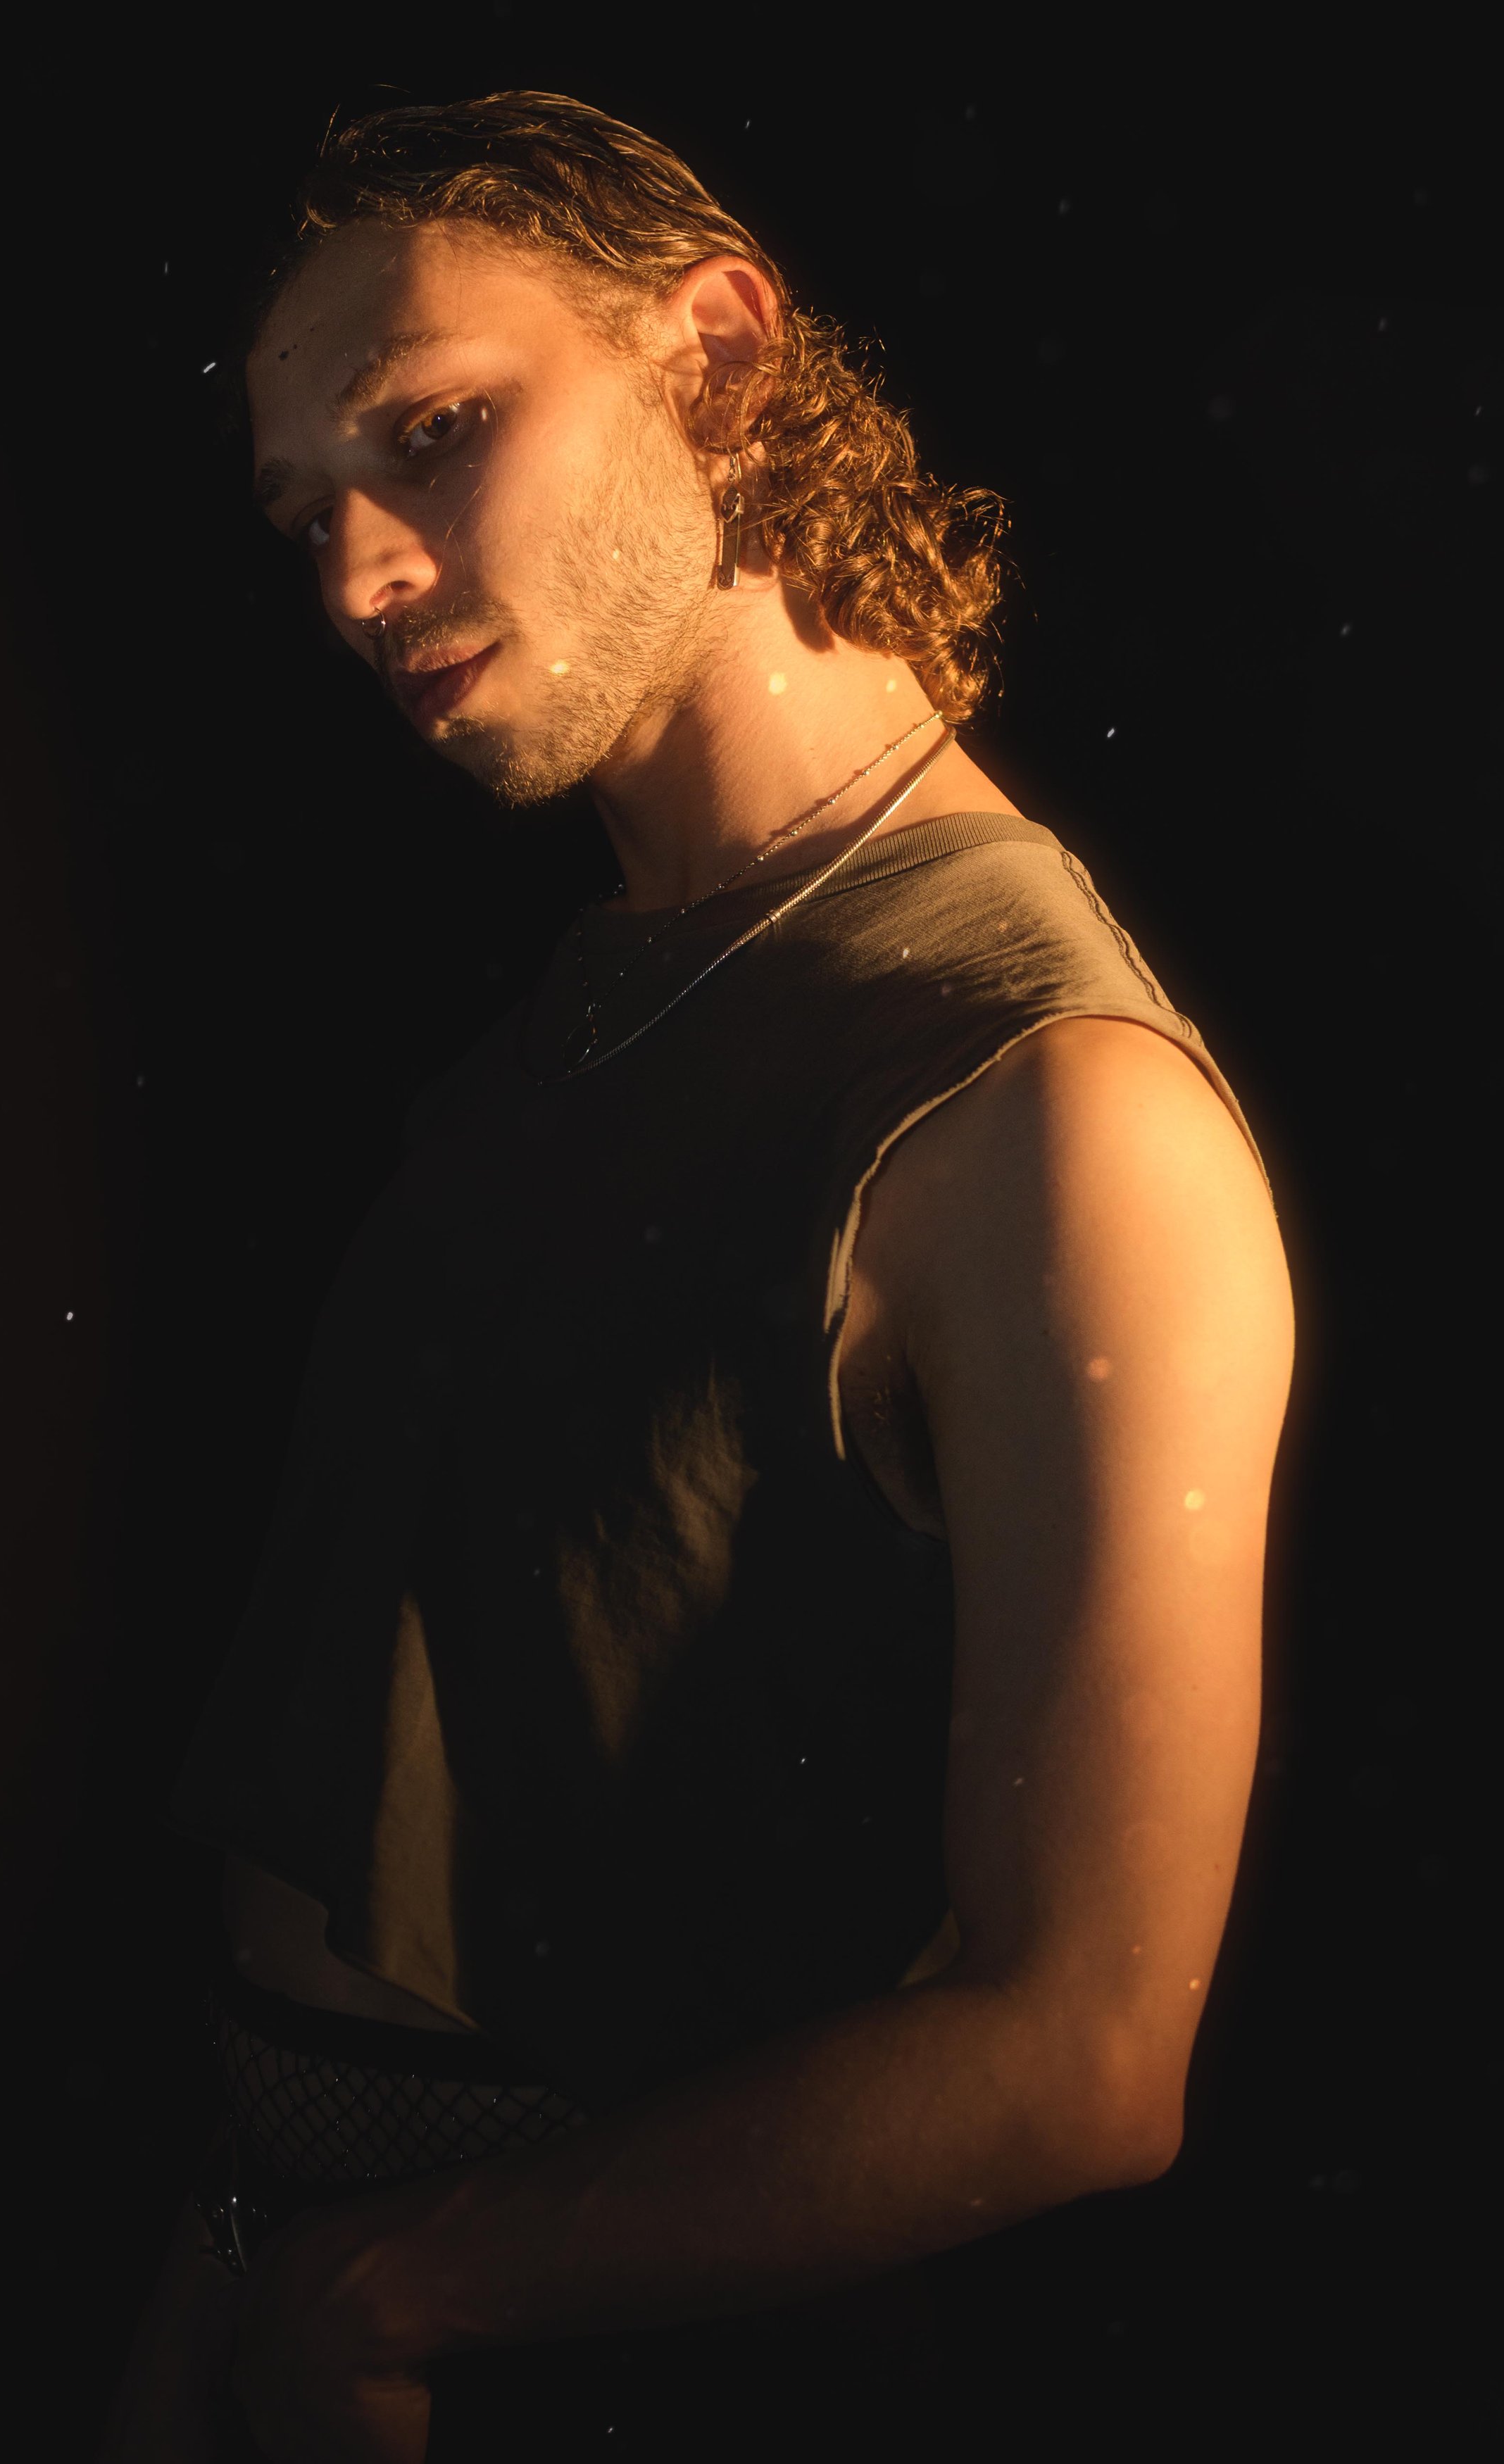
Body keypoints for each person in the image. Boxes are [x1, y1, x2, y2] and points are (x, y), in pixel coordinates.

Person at [99, 91, 1293, 2463]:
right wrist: (232, 2280)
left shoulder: (1046, 1098)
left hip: (593, 2357)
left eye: (431, 434)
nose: (351, 576)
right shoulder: (604, 983)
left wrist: (396, 2290)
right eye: (300, 510)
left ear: (723, 353)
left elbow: (1082, 2045)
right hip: (287, 2282)